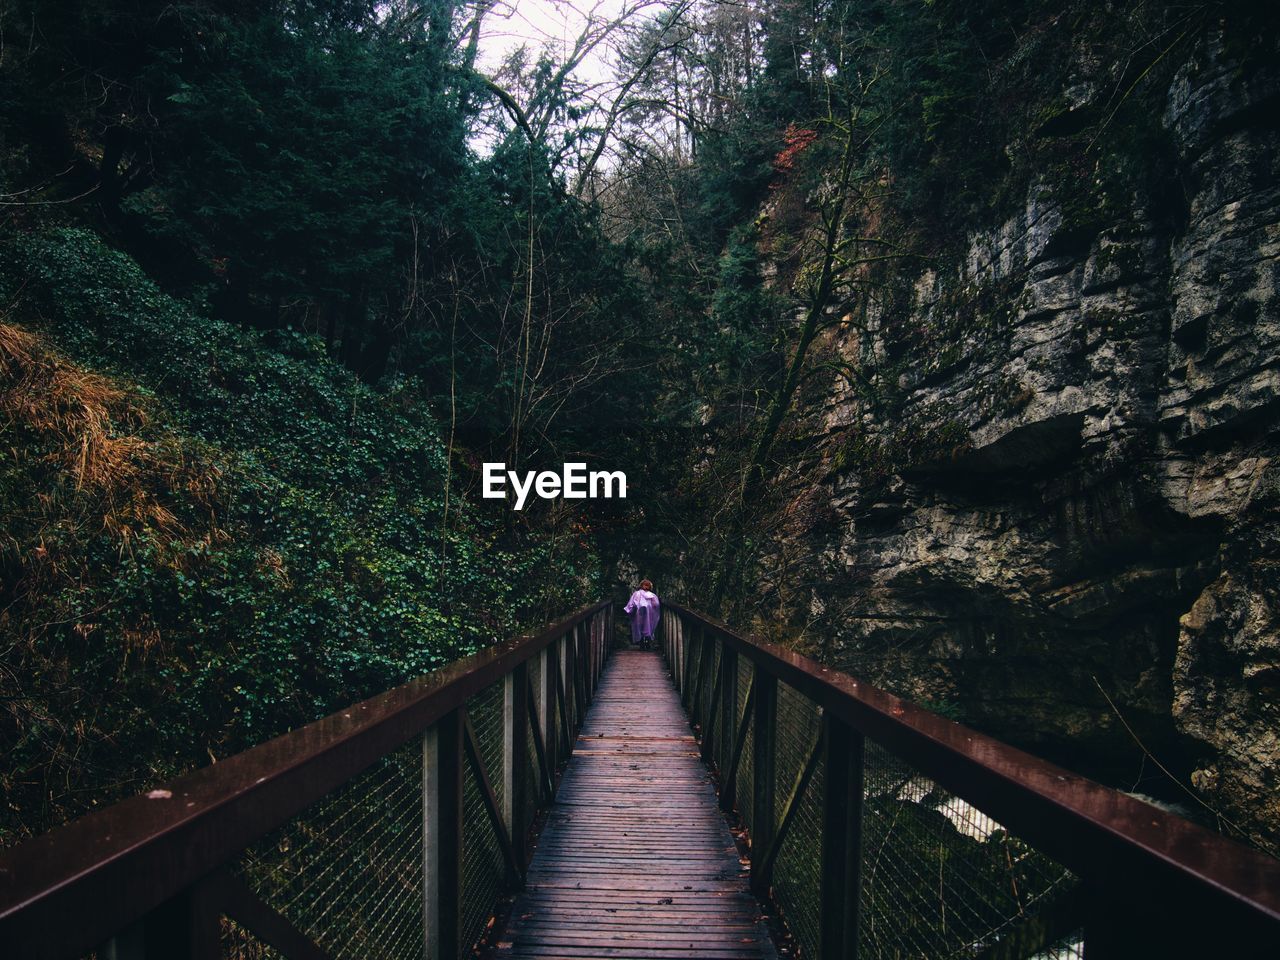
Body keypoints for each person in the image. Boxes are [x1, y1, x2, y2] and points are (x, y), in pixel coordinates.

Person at [623, 579, 660, 649]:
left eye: (648, 585)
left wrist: (653, 606)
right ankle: (641, 643)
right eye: (645, 585)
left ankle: (648, 642)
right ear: (641, 585)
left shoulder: (652, 595)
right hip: (639, 614)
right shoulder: (637, 593)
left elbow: (656, 604)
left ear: (650, 587)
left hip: (649, 614)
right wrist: (631, 608)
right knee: (640, 627)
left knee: (648, 627)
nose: (646, 587)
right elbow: (633, 602)